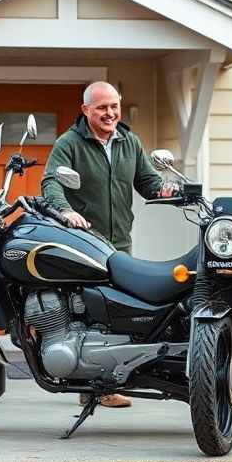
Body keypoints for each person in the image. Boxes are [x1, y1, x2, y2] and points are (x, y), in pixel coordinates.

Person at [42, 81, 176, 408]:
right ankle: (91, 387)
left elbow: (148, 183)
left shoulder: (129, 142)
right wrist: (66, 211)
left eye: (114, 106)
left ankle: (109, 380)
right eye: (101, 107)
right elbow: (51, 182)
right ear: (86, 109)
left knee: (116, 312)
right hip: (84, 241)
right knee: (87, 310)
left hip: (120, 244)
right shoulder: (69, 143)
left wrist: (166, 190)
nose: (110, 113)